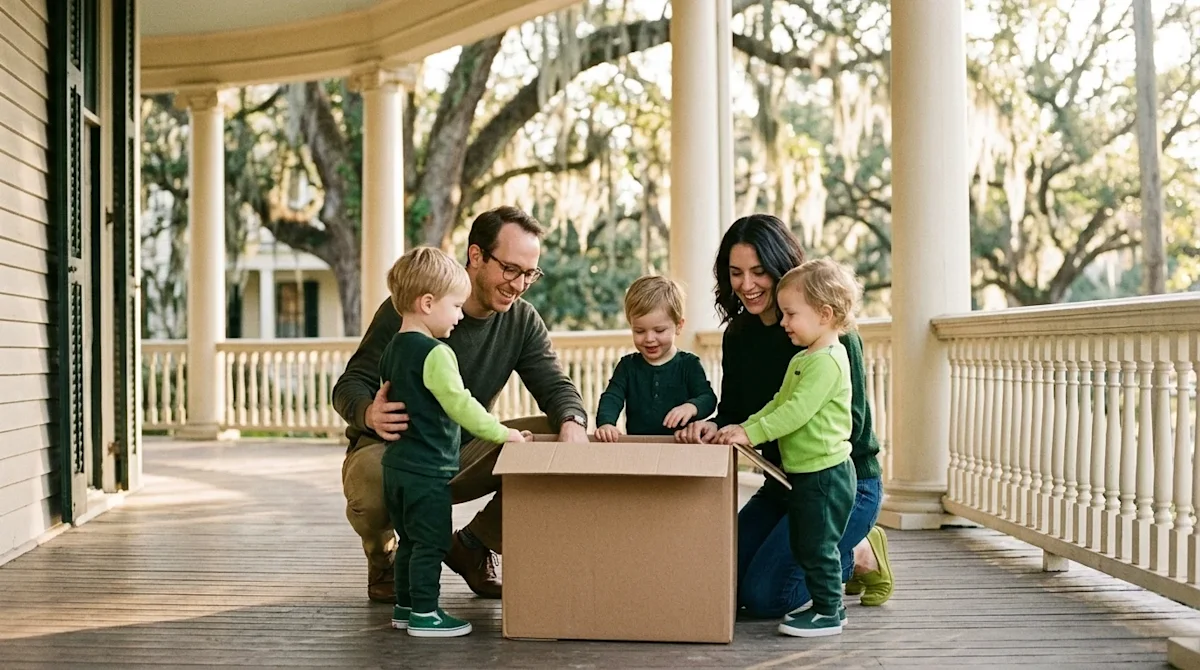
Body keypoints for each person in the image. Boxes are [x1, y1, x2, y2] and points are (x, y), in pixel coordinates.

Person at [333, 207, 589, 604]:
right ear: (475, 256)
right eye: (510, 269)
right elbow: (350, 383)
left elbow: (555, 384)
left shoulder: (521, 321)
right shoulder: (414, 306)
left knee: (554, 442)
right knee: (370, 480)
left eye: (529, 274)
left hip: (459, 449)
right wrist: (368, 412)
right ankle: (384, 557)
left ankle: (473, 545)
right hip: (395, 450)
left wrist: (573, 422)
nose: (519, 284)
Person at [675, 214, 894, 617]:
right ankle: (841, 545)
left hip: (841, 485)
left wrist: (762, 428)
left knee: (765, 598)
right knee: (720, 577)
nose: (746, 284)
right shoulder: (738, 335)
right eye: (736, 272)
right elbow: (736, 413)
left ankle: (858, 552)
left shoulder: (834, 333)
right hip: (782, 484)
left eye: (759, 271)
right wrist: (713, 426)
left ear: (782, 267)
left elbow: (855, 427)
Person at [379, 247, 530, 637]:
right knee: (431, 543)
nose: (461, 315)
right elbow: (461, 405)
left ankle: (405, 606)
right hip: (428, 470)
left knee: (409, 541)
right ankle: (427, 614)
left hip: (396, 467)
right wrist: (503, 433)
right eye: (456, 306)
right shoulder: (437, 353)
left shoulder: (393, 349)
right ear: (427, 303)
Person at [716, 259, 863, 637]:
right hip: (801, 475)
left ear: (825, 313)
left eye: (791, 314)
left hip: (825, 475)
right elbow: (778, 404)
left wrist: (755, 434)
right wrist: (743, 428)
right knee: (804, 540)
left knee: (817, 546)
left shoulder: (828, 363)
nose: (783, 323)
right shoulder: (803, 358)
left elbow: (795, 414)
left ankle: (830, 612)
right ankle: (828, 606)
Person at [594, 275, 717, 441]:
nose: (649, 338)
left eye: (659, 331)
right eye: (639, 331)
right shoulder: (627, 366)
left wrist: (691, 407)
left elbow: (708, 398)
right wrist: (606, 423)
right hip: (640, 448)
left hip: (681, 446)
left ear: (679, 326)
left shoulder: (689, 364)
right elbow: (612, 397)